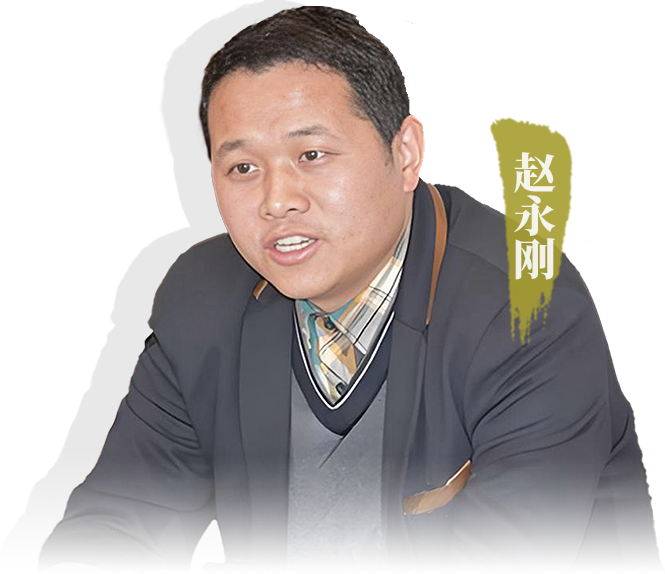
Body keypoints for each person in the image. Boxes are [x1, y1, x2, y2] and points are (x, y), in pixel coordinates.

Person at [38, 6, 662, 574]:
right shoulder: (204, 297)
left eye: (311, 155)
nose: (277, 200)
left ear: (406, 152)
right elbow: (114, 527)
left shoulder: (527, 306)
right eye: (243, 167)